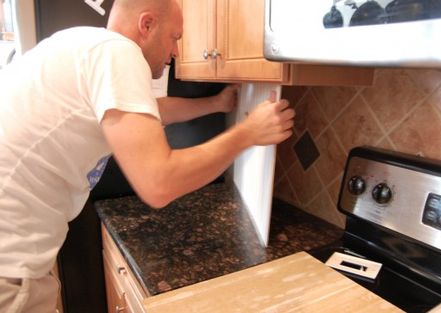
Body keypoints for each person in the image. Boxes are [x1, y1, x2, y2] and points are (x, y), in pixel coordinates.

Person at [0, 0, 295, 311]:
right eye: (175, 37)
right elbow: (159, 183)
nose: (177, 51)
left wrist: (216, 104)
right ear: (147, 25)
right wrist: (248, 133)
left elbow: (154, 110)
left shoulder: (85, 45)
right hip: (9, 263)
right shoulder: (117, 52)